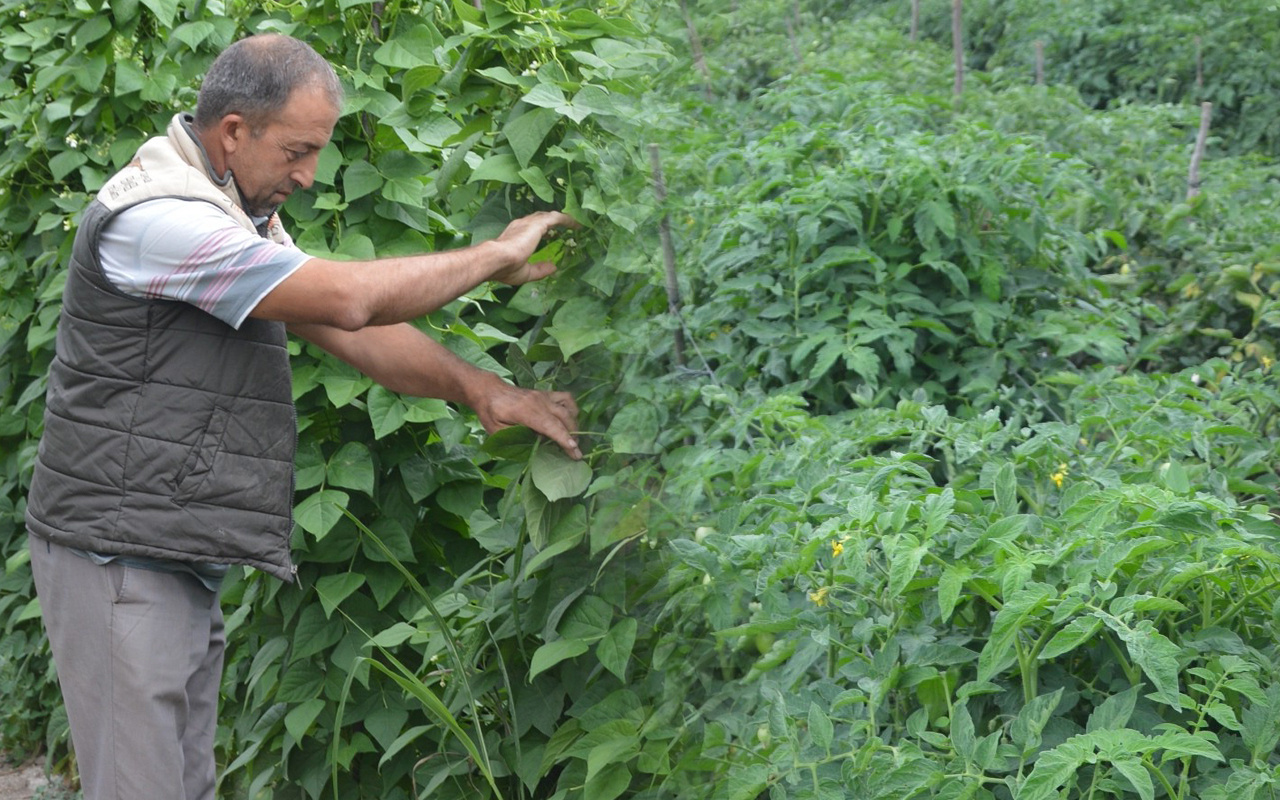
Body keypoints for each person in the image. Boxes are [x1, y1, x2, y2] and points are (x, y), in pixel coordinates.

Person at [23, 33, 581, 800]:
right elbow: (348, 299)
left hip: (168, 547)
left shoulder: (229, 208)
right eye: (297, 150)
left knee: (181, 786)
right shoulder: (163, 221)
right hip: (119, 557)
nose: (309, 175)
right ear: (233, 132)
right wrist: (494, 254)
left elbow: (358, 333)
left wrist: (483, 389)